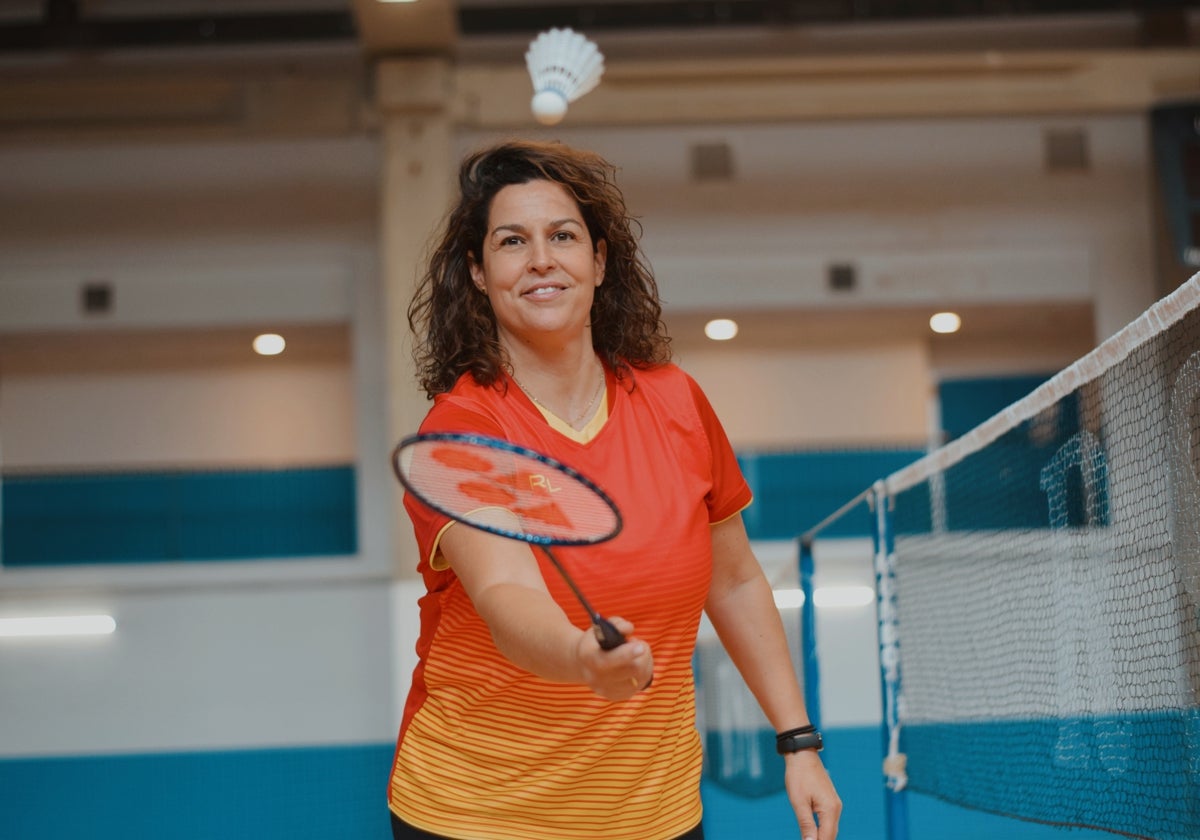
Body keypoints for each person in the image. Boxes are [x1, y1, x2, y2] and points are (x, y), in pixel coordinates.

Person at [388, 139, 841, 840]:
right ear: (478, 273)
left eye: (562, 236)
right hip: (483, 815)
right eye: (513, 241)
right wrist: (579, 659)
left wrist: (798, 740)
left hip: (654, 816)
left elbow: (735, 579)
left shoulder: (676, 403)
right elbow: (507, 596)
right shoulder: (465, 429)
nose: (542, 258)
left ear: (599, 261)